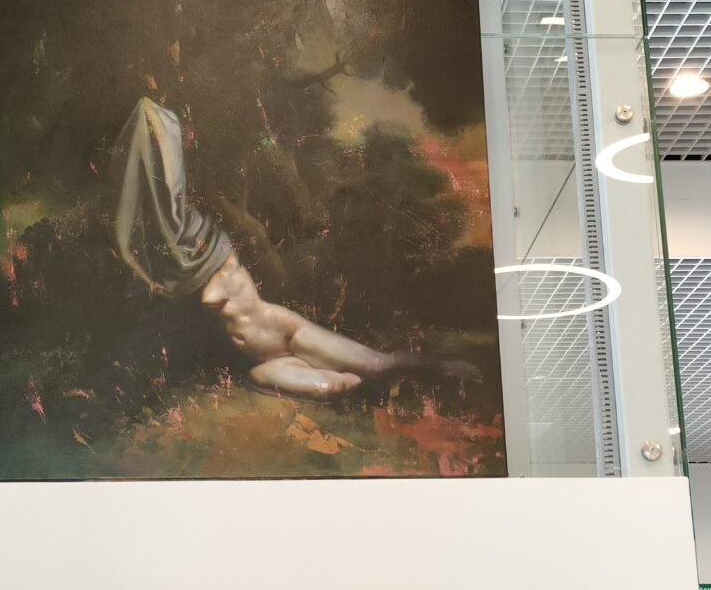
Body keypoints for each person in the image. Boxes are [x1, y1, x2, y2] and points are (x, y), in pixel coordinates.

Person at [114, 97, 482, 400]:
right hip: (261, 364)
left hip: (288, 332)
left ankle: (444, 368)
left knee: (377, 365)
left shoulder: (209, 249)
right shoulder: (174, 265)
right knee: (337, 386)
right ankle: (418, 390)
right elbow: (159, 214)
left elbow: (169, 201)